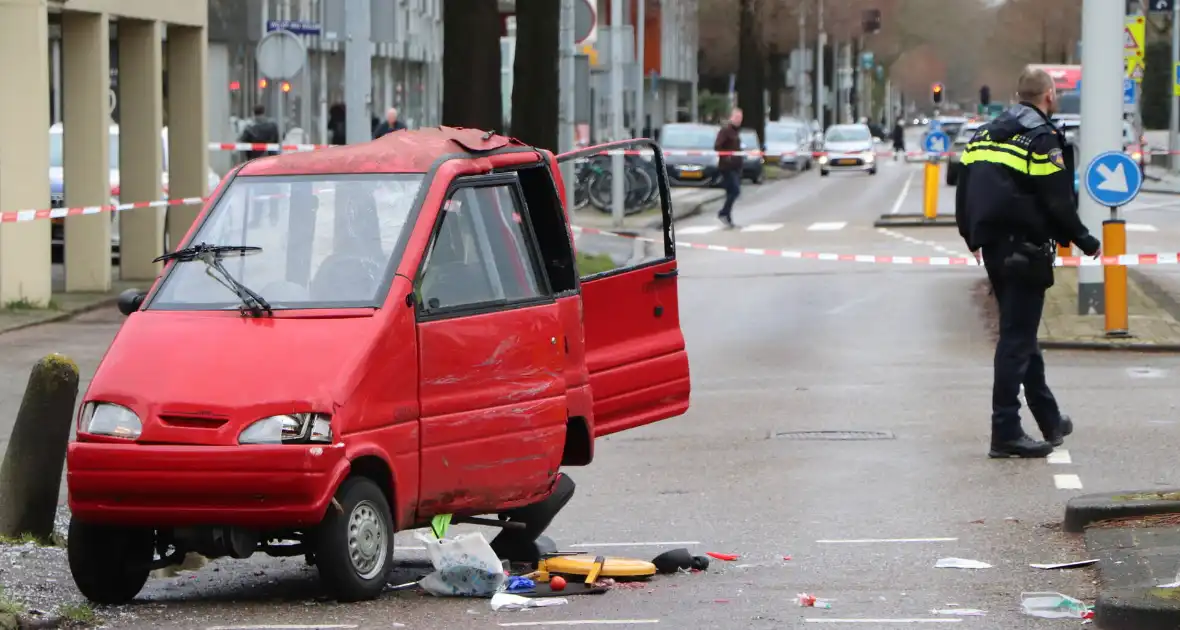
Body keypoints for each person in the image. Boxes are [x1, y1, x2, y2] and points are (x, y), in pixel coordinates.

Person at [955, 67, 1101, 459]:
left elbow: (964, 186)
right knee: (1016, 341)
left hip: (993, 248)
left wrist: (971, 236)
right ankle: (1005, 432)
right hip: (1027, 249)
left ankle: (1049, 419)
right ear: (1050, 95)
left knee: (1022, 334)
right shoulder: (1041, 137)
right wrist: (1085, 240)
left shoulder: (983, 133)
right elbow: (1056, 200)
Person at [713, 107, 744, 229]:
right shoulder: (726, 130)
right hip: (727, 167)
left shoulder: (736, 131)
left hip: (735, 167)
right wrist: (727, 157)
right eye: (737, 117)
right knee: (735, 191)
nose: (739, 120)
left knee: (731, 192)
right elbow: (717, 146)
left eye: (740, 118)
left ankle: (727, 216)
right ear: (731, 117)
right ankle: (723, 213)